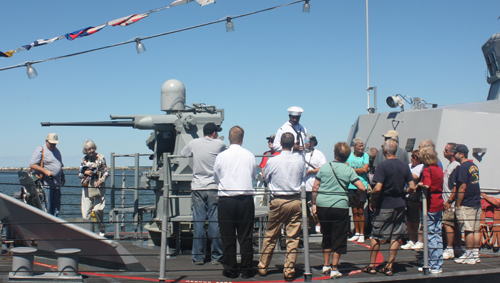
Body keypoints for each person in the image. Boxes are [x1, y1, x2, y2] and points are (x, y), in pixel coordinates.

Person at [312, 142, 366, 279]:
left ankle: (326, 265)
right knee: (339, 236)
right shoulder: (349, 170)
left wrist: (314, 203)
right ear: (347, 155)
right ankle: (335, 268)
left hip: (323, 205)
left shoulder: (324, 167)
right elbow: (362, 187)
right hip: (340, 205)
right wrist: (357, 197)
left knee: (327, 234)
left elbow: (315, 187)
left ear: (335, 153)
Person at [257, 132, 306, 282]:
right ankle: (289, 270)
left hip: (278, 200)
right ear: (293, 144)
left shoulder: (273, 160)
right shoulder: (300, 160)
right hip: (295, 200)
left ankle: (263, 266)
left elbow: (266, 178)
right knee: (293, 237)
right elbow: (302, 177)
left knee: (271, 235)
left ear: (280, 142)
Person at [362, 139, 415, 276]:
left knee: (376, 235)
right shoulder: (404, 166)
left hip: (385, 204)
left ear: (385, 150)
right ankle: (390, 266)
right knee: (396, 236)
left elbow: (378, 188)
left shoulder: (383, 166)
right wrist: (403, 193)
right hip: (400, 204)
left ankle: (372, 266)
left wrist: (373, 199)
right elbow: (412, 187)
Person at [181, 122, 226, 265]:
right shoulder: (219, 144)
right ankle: (216, 257)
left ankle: (198, 257)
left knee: (199, 223)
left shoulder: (194, 143)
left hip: (198, 187)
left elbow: (183, 154)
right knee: (214, 223)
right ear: (213, 133)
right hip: (213, 187)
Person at [214, 126, 256, 279]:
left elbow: (216, 176)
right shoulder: (250, 155)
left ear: (229, 138)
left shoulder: (221, 156)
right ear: (242, 139)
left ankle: (230, 269)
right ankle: (246, 269)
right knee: (246, 236)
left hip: (226, 199)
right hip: (245, 199)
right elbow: (252, 174)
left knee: (227, 236)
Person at [451, 144, 482, 265]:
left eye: (456, 153)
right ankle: (475, 254)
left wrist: (458, 204)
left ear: (461, 154)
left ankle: (469, 255)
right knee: (476, 229)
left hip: (467, 203)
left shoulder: (462, 168)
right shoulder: (474, 166)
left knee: (468, 230)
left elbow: (462, 187)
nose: (454, 154)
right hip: (476, 202)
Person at [417, 147, 444, 273]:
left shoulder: (427, 170)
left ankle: (433, 264)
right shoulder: (438, 168)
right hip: (439, 202)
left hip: (430, 205)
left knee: (431, 235)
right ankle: (437, 263)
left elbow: (427, 184)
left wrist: (419, 185)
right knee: (437, 235)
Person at [78, 140, 109, 237]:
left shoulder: (101, 157)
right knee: (86, 211)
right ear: (85, 150)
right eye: (89, 149)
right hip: (87, 186)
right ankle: (87, 232)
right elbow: (80, 174)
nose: (91, 150)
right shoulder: (84, 159)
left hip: (98, 185)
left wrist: (101, 180)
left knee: (98, 210)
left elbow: (106, 172)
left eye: (92, 148)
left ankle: (101, 229)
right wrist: (85, 173)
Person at [30, 133, 66, 216]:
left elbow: (60, 164)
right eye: (51, 143)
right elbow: (33, 164)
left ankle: (55, 224)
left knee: (56, 207)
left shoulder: (57, 151)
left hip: (56, 184)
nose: (53, 145)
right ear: (46, 141)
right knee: (47, 206)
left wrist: (62, 176)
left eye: (54, 143)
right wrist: (45, 171)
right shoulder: (40, 150)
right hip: (46, 184)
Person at [346, 137, 369, 243]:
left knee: (361, 209)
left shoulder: (366, 156)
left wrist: (352, 170)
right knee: (354, 209)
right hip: (351, 186)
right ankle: (357, 232)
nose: (362, 148)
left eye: (362, 145)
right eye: (360, 146)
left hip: (361, 185)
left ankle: (362, 233)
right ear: (354, 146)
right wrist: (357, 171)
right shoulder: (349, 156)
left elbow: (365, 169)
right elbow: (346, 169)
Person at [442, 142, 462, 259]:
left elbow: (456, 186)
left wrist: (449, 201)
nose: (444, 152)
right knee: (453, 225)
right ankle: (457, 248)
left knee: (448, 224)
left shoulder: (455, 166)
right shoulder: (450, 165)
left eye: (446, 150)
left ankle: (450, 248)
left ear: (452, 152)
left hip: (450, 201)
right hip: (447, 199)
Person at [400, 150, 424, 250]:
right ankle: (411, 240)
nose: (412, 159)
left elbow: (415, 176)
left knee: (417, 220)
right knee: (410, 219)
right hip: (406, 195)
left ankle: (420, 241)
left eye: (414, 157)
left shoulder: (421, 167)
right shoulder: (409, 166)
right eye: (412, 157)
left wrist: (404, 175)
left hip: (415, 196)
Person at [304, 134, 326, 234]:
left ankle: (318, 227)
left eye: (309, 141)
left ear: (313, 142)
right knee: (304, 210)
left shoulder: (319, 154)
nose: (307, 143)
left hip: (313, 186)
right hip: (302, 186)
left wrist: (311, 171)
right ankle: (306, 228)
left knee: (314, 208)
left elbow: (323, 167)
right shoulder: (300, 153)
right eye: (306, 141)